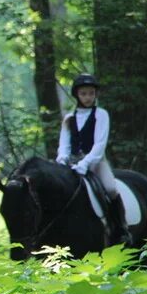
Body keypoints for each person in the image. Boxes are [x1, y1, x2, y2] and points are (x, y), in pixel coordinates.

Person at [55, 73, 132, 245]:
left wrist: (85, 163)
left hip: (96, 162)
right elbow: (64, 144)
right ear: (77, 95)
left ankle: (121, 228)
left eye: (91, 93)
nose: (87, 97)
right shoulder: (69, 118)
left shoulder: (101, 115)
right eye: (83, 94)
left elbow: (99, 145)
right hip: (73, 163)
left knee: (111, 188)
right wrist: (62, 159)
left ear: (95, 94)